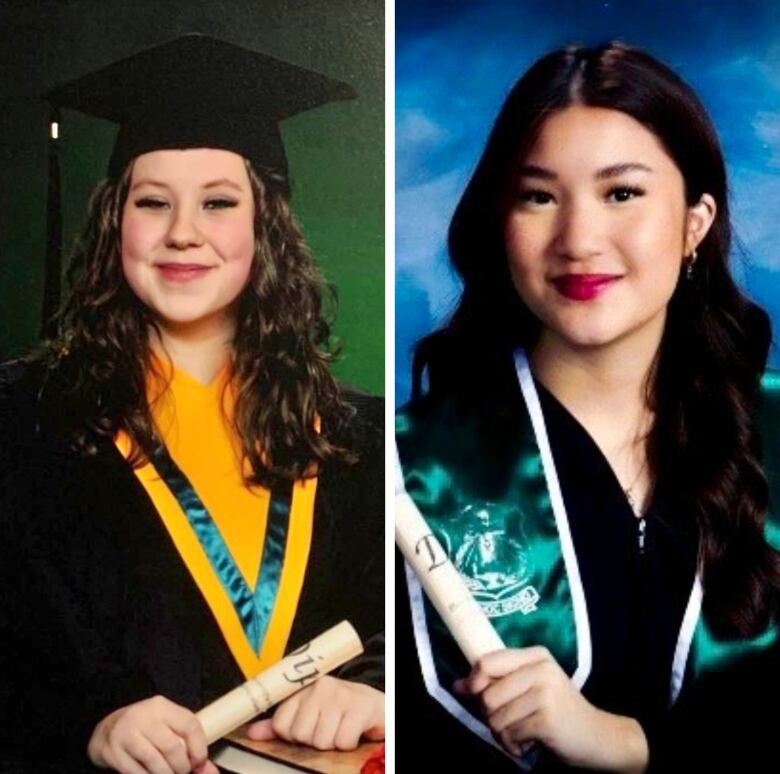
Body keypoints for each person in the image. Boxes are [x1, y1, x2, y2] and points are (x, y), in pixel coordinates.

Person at [0, 35, 383, 774]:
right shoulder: (24, 420)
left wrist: (376, 690)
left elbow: (401, 625)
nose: (183, 232)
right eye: (152, 202)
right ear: (116, 220)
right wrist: (90, 724)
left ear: (263, 225)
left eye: (218, 202)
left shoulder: (352, 435)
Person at [396, 41, 780, 772]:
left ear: (696, 221)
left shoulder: (775, 432)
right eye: (538, 196)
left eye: (622, 194)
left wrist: (623, 742)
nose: (578, 240)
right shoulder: (409, 468)